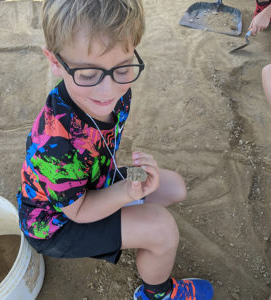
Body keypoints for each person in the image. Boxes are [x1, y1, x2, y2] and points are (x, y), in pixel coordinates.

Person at [16, 1, 214, 299]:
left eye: (122, 68)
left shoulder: (118, 92)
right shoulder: (55, 147)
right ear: (55, 61)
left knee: (175, 187)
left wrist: (133, 180)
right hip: (58, 223)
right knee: (162, 229)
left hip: (97, 182)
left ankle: (131, 219)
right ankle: (158, 293)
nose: (108, 91)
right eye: (86, 74)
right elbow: (79, 211)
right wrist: (127, 193)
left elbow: (102, 155)